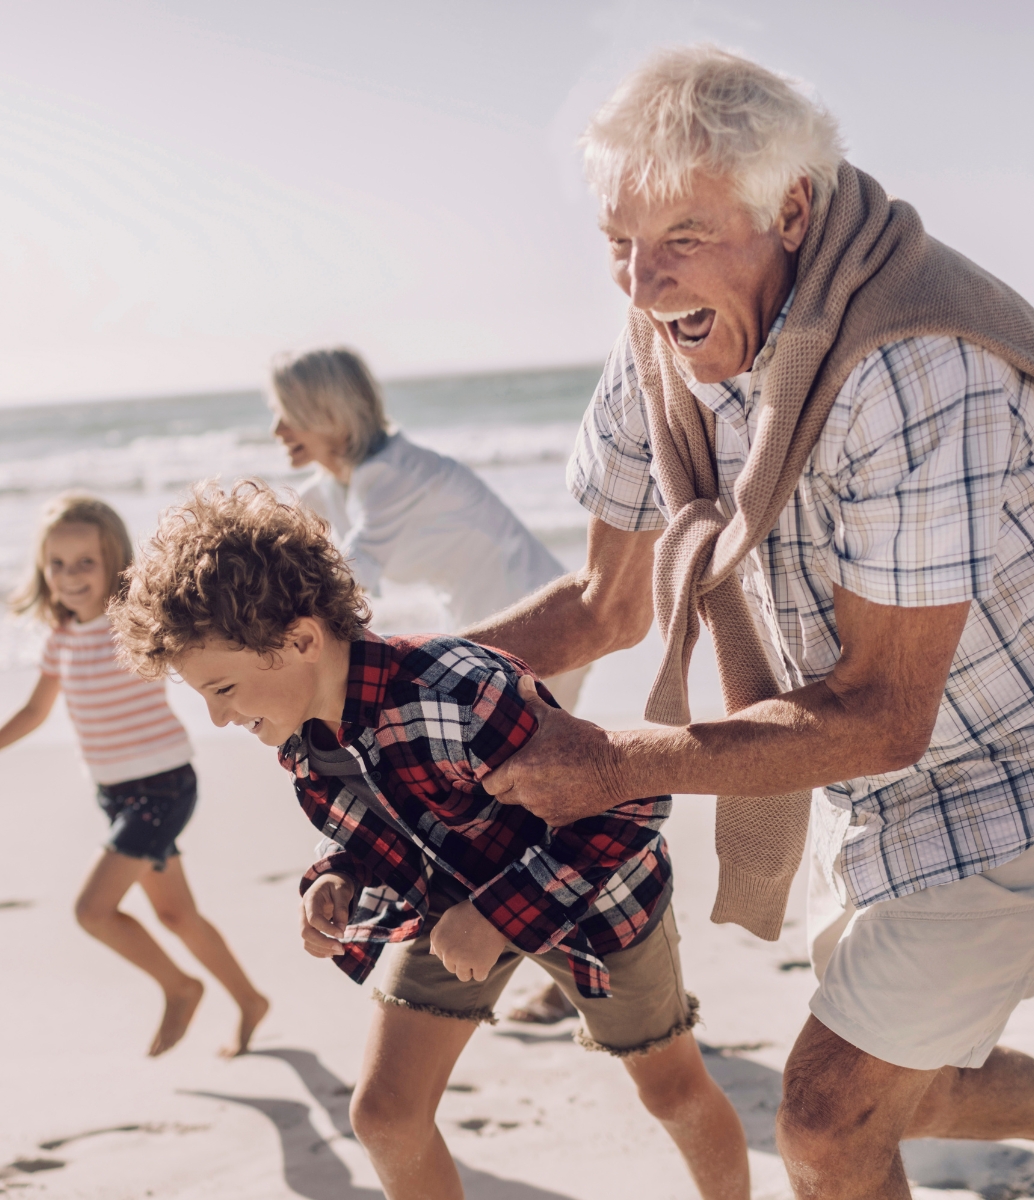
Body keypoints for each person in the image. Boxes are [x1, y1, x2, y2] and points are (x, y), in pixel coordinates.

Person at [454, 47, 1034, 1200]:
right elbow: (604, 605)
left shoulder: (912, 364)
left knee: (829, 1116)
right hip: (875, 737)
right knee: (894, 1073)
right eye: (619, 243)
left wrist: (608, 764)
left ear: (790, 208)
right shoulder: (665, 340)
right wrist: (378, 694)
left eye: (684, 237)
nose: (642, 283)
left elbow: (884, 714)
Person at [109, 481, 751, 1200]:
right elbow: (386, 828)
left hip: (598, 903)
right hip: (449, 906)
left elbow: (628, 803)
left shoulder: (458, 693)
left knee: (672, 1091)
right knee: (384, 1115)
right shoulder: (301, 736)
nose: (219, 718)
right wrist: (338, 880)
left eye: (222, 689)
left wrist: (496, 917)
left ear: (300, 641)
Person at [272, 345, 584, 1024]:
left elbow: (349, 583)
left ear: (329, 412)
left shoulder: (389, 473)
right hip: (483, 628)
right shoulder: (338, 486)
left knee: (531, 805)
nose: (277, 431)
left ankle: (569, 974)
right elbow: (311, 567)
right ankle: (543, 968)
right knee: (505, 808)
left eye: (288, 414)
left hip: (534, 618)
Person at [0, 493, 268, 1058]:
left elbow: (199, 647)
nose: (69, 577)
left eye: (85, 563)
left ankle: (180, 988)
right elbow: (33, 712)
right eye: (57, 564)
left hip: (162, 785)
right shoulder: (60, 639)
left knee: (92, 911)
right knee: (176, 914)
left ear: (113, 561)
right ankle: (250, 999)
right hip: (114, 792)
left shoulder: (134, 623)